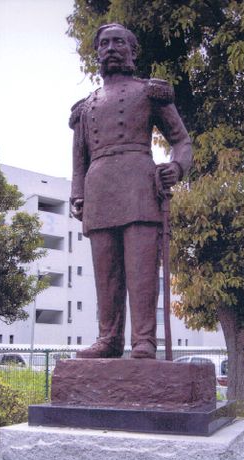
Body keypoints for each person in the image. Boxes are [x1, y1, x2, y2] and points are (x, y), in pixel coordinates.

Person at [69, 23, 192, 359]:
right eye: (104, 43)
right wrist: (77, 194)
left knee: (141, 270)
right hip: (99, 189)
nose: (110, 48)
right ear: (97, 52)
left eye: (118, 42)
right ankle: (108, 338)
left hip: (140, 185)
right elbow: (79, 158)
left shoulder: (150, 92)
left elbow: (181, 140)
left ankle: (143, 340)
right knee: (106, 273)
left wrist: (177, 166)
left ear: (132, 51)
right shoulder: (85, 106)